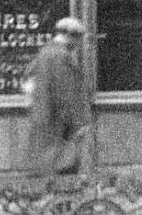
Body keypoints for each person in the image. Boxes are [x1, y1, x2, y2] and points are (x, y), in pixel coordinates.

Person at [24, 16, 92, 176]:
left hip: (44, 117)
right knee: (59, 167)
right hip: (56, 120)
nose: (79, 44)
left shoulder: (46, 51)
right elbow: (64, 92)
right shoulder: (60, 56)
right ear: (70, 36)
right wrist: (76, 122)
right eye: (78, 38)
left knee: (46, 163)